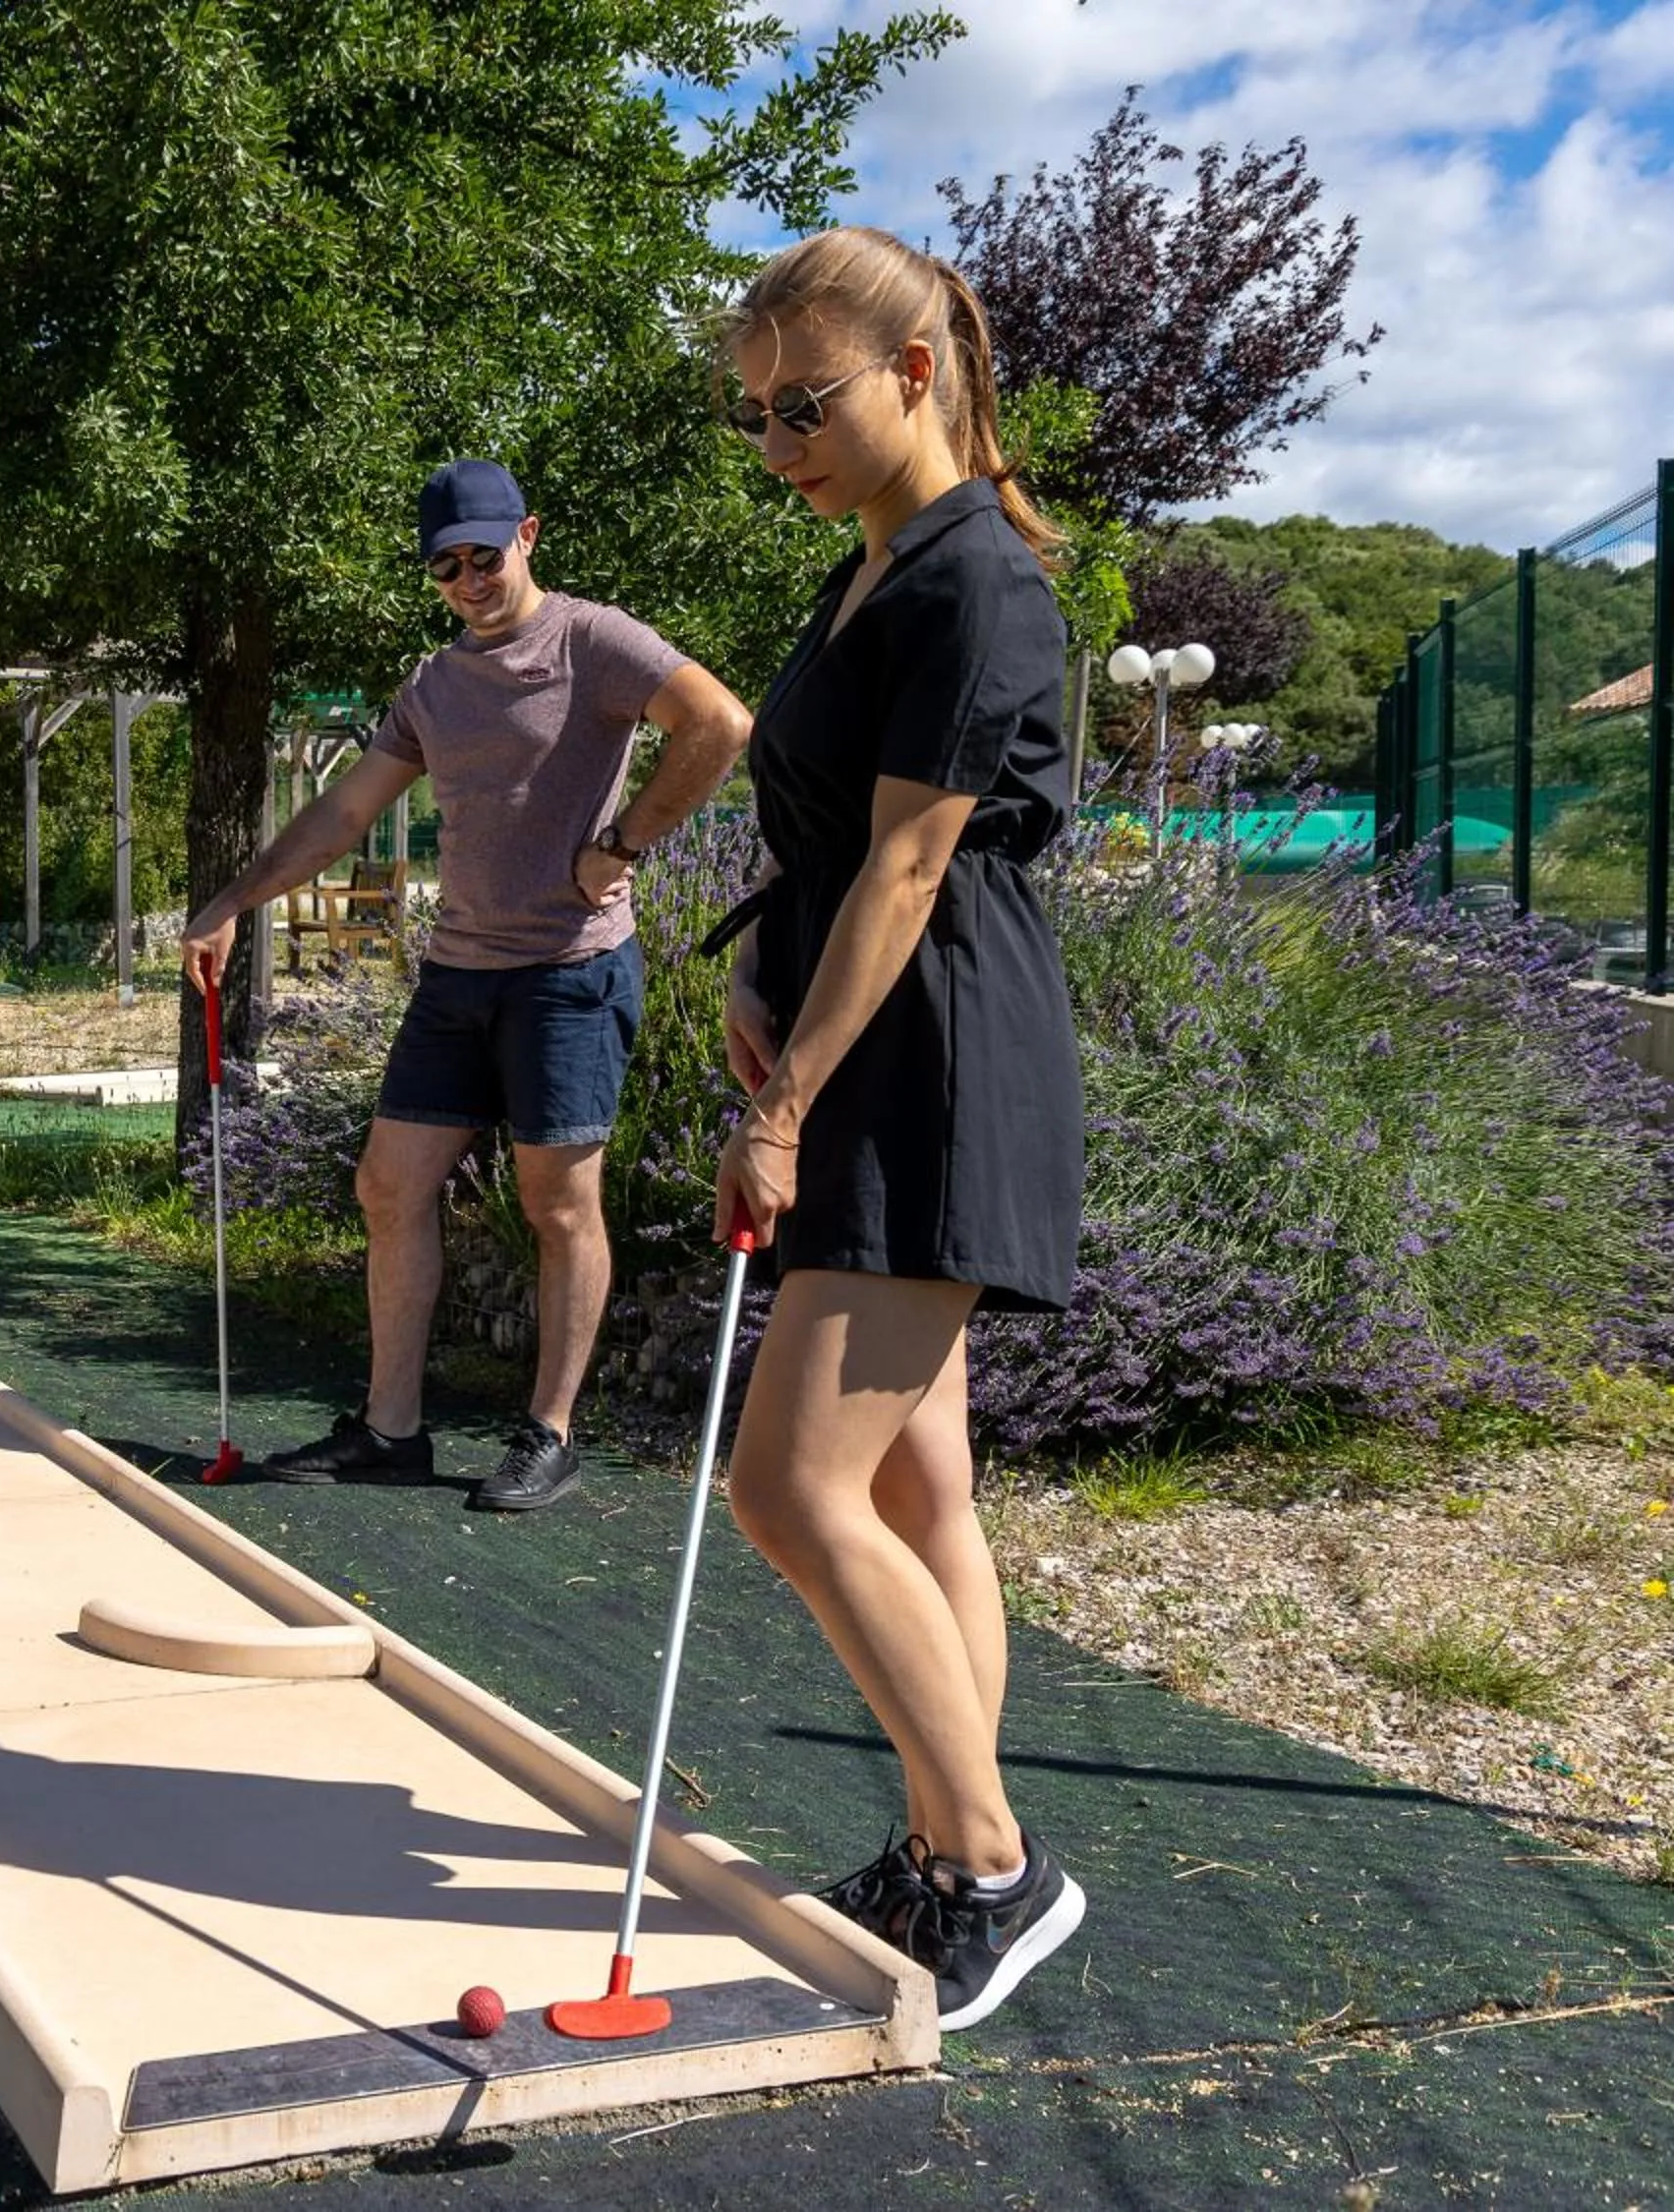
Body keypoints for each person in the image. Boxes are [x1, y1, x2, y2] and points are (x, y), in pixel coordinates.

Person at [706, 226, 1087, 2030]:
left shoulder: (974, 584)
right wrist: (761, 979)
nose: (776, 442)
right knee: (922, 1485)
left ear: (915, 373)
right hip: (870, 1026)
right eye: (755, 418)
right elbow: (837, 844)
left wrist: (782, 1108)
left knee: (787, 1484)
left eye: (804, 406)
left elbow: (920, 860)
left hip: (934, 1056)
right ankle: (946, 1853)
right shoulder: (871, 568)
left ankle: (998, 1867)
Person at [178, 459, 751, 1511]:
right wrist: (231, 901)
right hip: (459, 975)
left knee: (557, 1201)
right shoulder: (435, 686)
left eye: (485, 555)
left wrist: (623, 841)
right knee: (388, 1185)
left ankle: (550, 1435)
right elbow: (342, 815)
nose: (469, 579)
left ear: (527, 536)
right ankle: (391, 1430)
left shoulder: (592, 640)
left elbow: (719, 724)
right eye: (446, 567)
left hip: (571, 972)